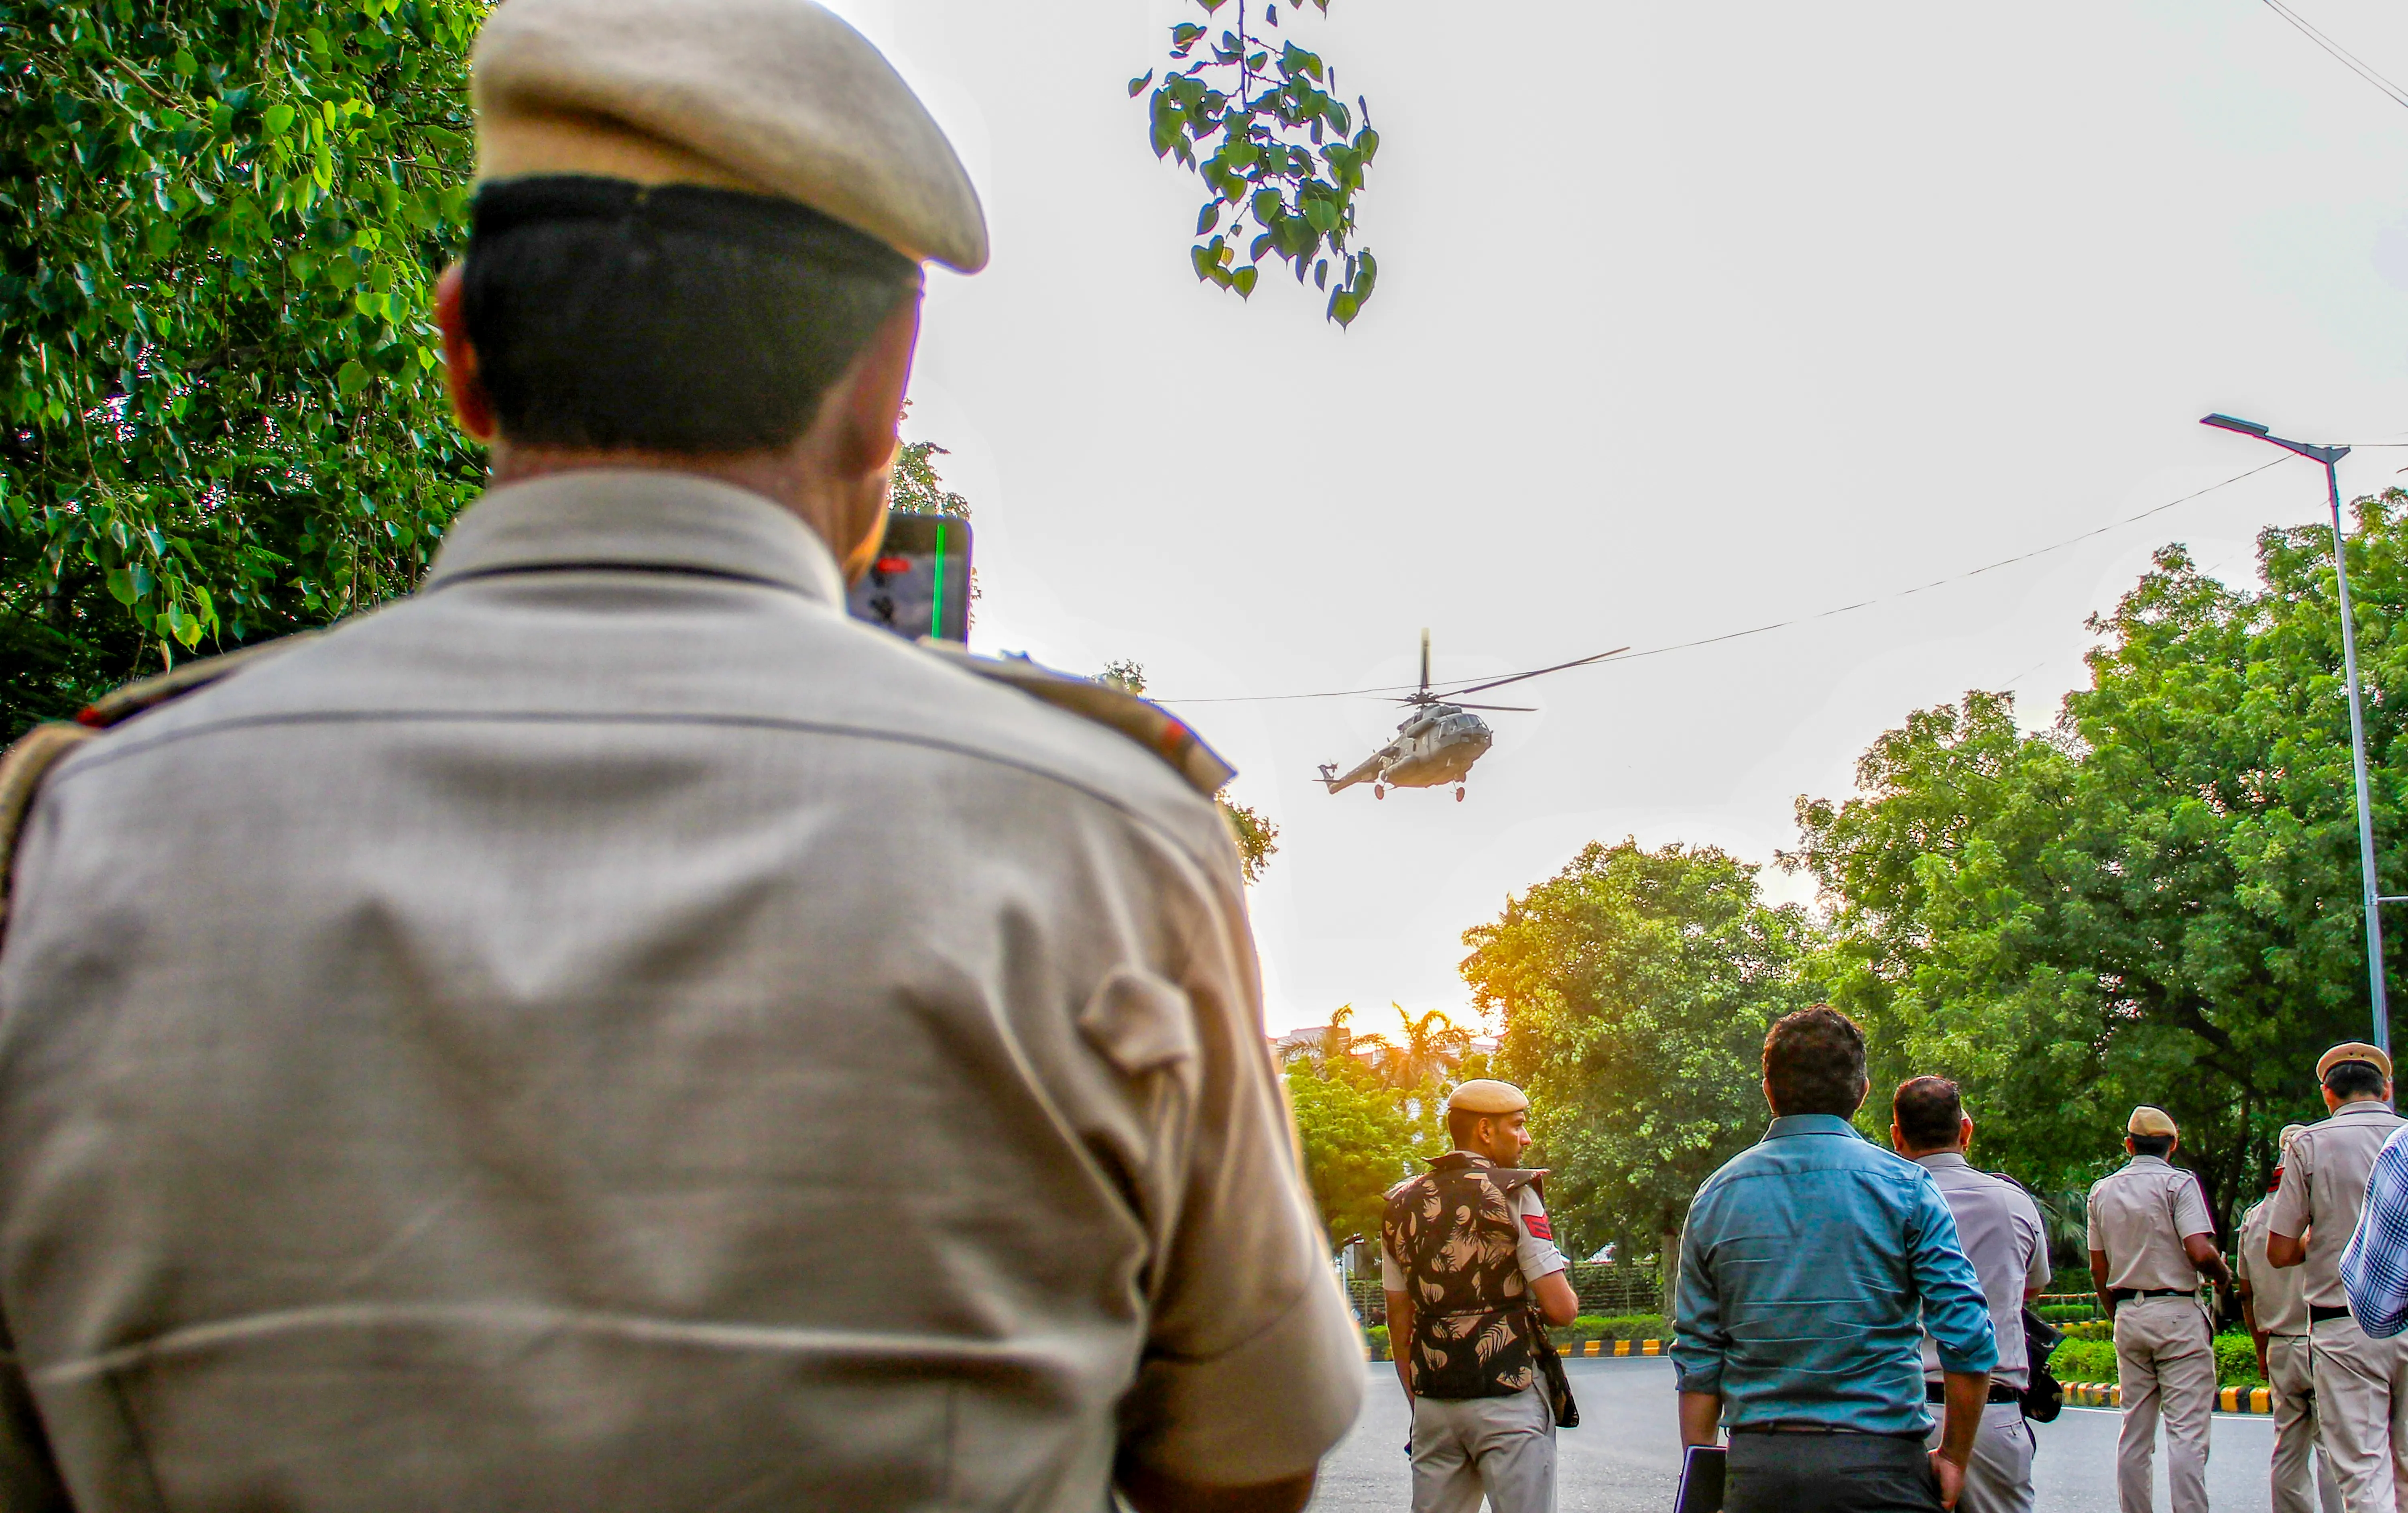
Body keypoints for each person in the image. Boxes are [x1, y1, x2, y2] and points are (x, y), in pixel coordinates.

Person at [0, 1, 1365, 1508]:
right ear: (882, 388)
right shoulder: (1102, 845)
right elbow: (1245, 1465)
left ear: (462, 345)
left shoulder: (85, 835)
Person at [1673, 1007, 1996, 1513]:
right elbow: (1969, 1335)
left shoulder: (1717, 1195)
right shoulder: (1906, 1188)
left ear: (1768, 1090)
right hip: (1882, 1469)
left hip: (1760, 1473)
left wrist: (1704, 1475)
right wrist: (1954, 1456)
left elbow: (1699, 1356)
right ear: (1863, 1091)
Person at [1381, 1079, 1581, 1513]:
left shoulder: (1399, 1203)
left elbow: (1399, 1319)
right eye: (1518, 1125)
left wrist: (1421, 1400)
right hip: (1507, 1389)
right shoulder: (1515, 1191)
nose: (1526, 1137)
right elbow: (1561, 1309)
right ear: (1486, 1130)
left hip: (1434, 1398)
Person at [1889, 1077, 2050, 1513]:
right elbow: (2031, 1286)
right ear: (1966, 1130)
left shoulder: (1881, 1204)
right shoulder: (2012, 1202)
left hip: (1902, 1415)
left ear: (1897, 1135)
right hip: (1992, 1414)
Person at [2271, 1042, 2408, 1510]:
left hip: (2344, 1325)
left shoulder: (2309, 1144)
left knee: (2363, 1470)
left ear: (2327, 1094)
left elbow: (2281, 1250)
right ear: (2386, 1089)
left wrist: (2321, 1237)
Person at [2086, 1105, 2232, 1513]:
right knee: (2186, 1432)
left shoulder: (2102, 1190)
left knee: (2135, 1430)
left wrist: (2118, 1313)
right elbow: (2199, 1251)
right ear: (2173, 1145)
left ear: (2129, 1144)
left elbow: (2099, 1268)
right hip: (2178, 1313)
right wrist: (2222, 1276)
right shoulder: (2179, 1185)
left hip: (2130, 1314)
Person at [2241, 1122, 2343, 1513]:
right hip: (2323, 1338)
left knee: (2288, 1447)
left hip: (2280, 1344)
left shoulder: (2253, 1220)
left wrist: (2261, 1350)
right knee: (2335, 1446)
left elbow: (2246, 1292)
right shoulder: (2318, 1215)